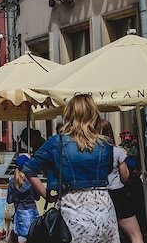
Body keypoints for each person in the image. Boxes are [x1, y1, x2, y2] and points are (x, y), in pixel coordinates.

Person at [22, 93, 119, 243]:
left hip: (72, 208)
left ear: (69, 114)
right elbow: (107, 171)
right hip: (103, 207)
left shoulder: (57, 142)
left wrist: (46, 195)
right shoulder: (105, 144)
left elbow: (29, 169)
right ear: (93, 114)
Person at [101, 121, 142, 243]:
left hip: (100, 195)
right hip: (118, 194)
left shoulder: (92, 153)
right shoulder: (117, 151)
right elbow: (125, 176)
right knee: (135, 234)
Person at [7, 155, 39, 243]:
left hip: (20, 214)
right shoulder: (32, 181)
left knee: (21, 240)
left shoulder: (12, 182)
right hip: (32, 213)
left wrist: (16, 195)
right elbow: (37, 198)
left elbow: (9, 200)